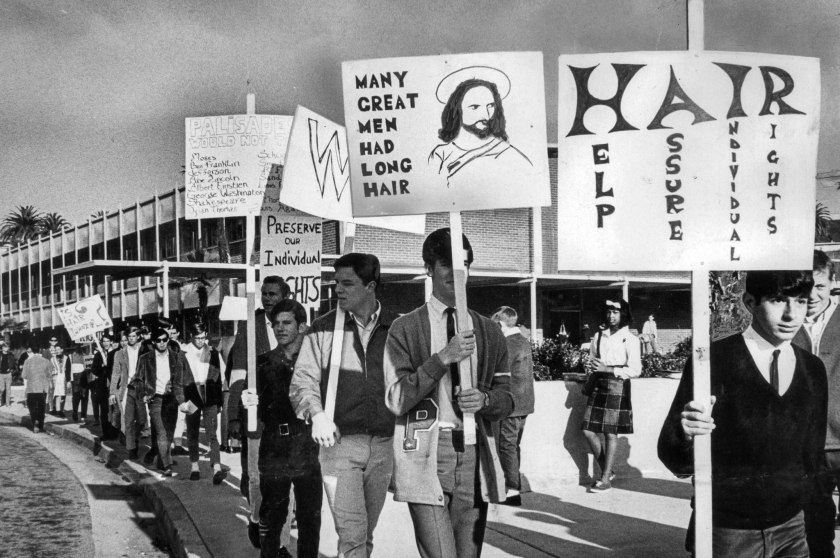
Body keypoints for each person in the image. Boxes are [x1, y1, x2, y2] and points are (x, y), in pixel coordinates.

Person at [659, 270, 827, 557]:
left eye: (800, 301)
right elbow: (673, 456)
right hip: (729, 532)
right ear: (750, 302)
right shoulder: (712, 362)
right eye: (777, 300)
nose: (790, 314)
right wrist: (685, 433)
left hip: (793, 529)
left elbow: (812, 458)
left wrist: (815, 524)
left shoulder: (812, 368)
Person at [384, 228, 513, 558]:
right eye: (448, 265)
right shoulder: (405, 328)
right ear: (429, 268)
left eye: (465, 265)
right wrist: (442, 359)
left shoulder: (489, 330)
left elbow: (508, 398)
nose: (458, 274)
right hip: (425, 453)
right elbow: (396, 398)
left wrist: (485, 400)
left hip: (473, 453)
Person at [291, 253, 395, 558]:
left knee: (364, 535)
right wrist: (318, 415)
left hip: (384, 447)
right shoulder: (322, 329)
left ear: (371, 285)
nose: (338, 289)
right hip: (339, 448)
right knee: (352, 536)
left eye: (347, 283)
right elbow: (302, 382)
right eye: (336, 282)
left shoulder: (397, 328)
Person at [242, 299, 321, 558]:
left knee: (310, 519)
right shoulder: (262, 364)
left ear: (302, 326)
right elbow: (256, 411)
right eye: (275, 323)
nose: (279, 328)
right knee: (273, 516)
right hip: (275, 446)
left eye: (286, 322)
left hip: (307, 447)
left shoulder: (316, 363)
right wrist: (249, 403)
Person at [227, 275, 290, 548]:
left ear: (285, 296)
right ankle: (256, 517)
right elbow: (238, 373)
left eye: (273, 294)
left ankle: (281, 541)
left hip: (289, 418)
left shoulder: (297, 326)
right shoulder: (249, 326)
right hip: (256, 415)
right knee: (256, 476)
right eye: (264, 293)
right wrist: (232, 414)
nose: (267, 298)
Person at [794, 251, 840, 557]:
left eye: (821, 286)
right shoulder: (784, 321)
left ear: (833, 282)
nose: (813, 296)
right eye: (806, 286)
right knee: (815, 526)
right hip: (807, 443)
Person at [428, 70, 532, 187]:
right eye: (475, 107)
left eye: (491, 106)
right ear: (457, 110)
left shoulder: (508, 155)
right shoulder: (439, 154)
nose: (487, 115)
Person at [581, 297, 641, 492]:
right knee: (588, 430)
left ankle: (605, 478)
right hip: (598, 385)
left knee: (610, 434)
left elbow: (636, 370)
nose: (611, 316)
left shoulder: (630, 339)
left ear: (623, 314)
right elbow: (591, 359)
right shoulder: (599, 336)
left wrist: (609, 369)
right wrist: (590, 366)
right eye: (608, 312)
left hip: (617, 385)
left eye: (615, 312)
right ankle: (608, 469)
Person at [491, 305, 535, 506]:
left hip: (511, 404)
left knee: (506, 446)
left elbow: (500, 374)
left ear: (501, 323)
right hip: (524, 404)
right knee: (514, 446)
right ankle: (513, 486)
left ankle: (512, 490)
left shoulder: (508, 344)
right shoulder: (523, 341)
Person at [178, 321, 226, 484]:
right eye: (198, 338)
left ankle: (217, 467)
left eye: (203, 337)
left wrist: (219, 402)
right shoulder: (183, 353)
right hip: (191, 395)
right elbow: (178, 380)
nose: (201, 341)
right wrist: (181, 402)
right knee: (193, 431)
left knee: (213, 432)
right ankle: (194, 466)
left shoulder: (212, 352)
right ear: (191, 337)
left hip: (210, 395)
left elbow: (218, 377)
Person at [137, 327, 186, 477]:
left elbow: (182, 379)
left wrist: (182, 399)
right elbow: (138, 379)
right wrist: (143, 394)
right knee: (161, 432)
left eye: (165, 340)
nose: (162, 343)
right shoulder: (145, 359)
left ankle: (161, 460)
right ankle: (167, 464)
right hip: (155, 399)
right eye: (158, 340)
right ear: (153, 342)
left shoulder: (176, 357)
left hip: (172, 399)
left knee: (169, 433)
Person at [110, 327, 146, 458]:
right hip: (126, 389)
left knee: (142, 420)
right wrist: (112, 392)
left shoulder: (144, 351)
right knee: (128, 419)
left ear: (138, 337)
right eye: (128, 337)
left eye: (133, 336)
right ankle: (132, 448)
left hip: (141, 389)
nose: (131, 339)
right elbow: (116, 373)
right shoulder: (120, 354)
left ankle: (134, 438)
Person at [22, 341, 52, 433]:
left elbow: (24, 375)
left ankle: (35, 421)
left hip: (31, 388)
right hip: (42, 388)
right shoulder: (46, 361)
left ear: (31, 350)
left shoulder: (27, 361)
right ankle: (40, 425)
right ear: (40, 350)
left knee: (32, 406)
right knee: (41, 407)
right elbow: (49, 374)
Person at [50, 344, 71, 417]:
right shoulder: (52, 359)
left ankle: (60, 409)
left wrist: (69, 381)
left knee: (64, 394)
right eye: (56, 350)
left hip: (64, 377)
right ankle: (59, 411)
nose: (57, 351)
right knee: (57, 394)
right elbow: (50, 369)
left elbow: (68, 370)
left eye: (59, 349)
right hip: (56, 377)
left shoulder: (66, 358)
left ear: (62, 349)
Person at [70, 345, 88, 423]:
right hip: (81, 377)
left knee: (76, 398)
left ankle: (76, 413)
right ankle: (81, 416)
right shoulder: (84, 356)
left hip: (78, 377)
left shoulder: (71, 356)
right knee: (83, 398)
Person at [0, 342, 18, 406]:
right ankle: (1, 400)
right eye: (5, 347)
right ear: (2, 348)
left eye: (7, 347)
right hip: (1, 374)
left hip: (8, 374)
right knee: (2, 389)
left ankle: (8, 403)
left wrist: (11, 369)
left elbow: (14, 363)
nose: (7, 348)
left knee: (8, 389)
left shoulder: (10, 355)